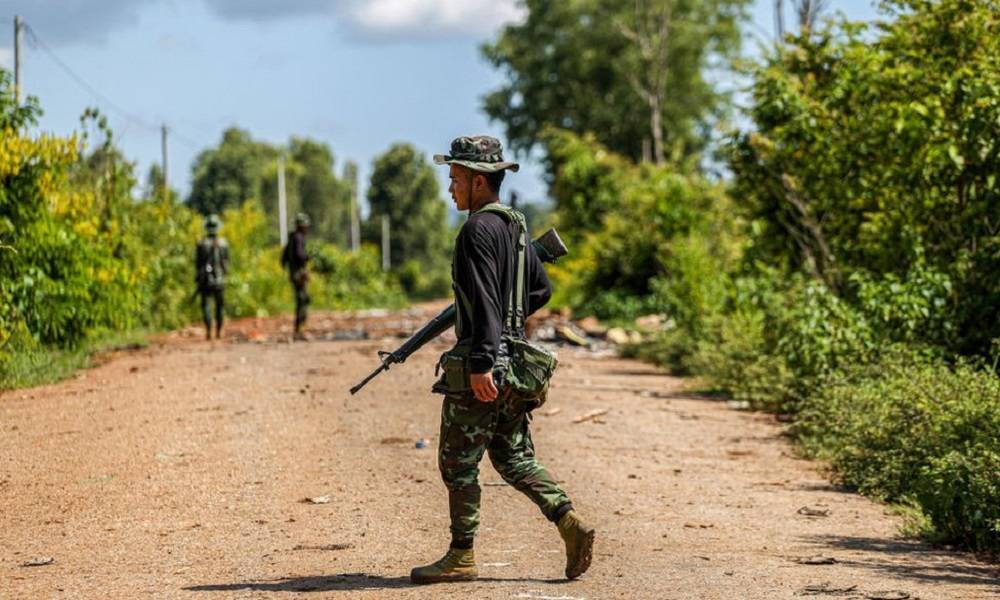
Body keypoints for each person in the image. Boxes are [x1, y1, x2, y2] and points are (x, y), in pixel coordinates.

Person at [410, 136, 594, 584]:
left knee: (457, 462)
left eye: (454, 180)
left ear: (477, 182)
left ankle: (461, 555)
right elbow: (541, 290)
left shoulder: (476, 231)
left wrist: (482, 362)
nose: (450, 189)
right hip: (516, 364)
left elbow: (486, 303)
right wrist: (511, 328)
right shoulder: (515, 226)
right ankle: (569, 522)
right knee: (513, 456)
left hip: (487, 362)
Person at [194, 214, 229, 340]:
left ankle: (209, 330)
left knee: (206, 306)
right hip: (220, 281)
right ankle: (219, 331)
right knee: (220, 307)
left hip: (206, 281)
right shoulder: (224, 243)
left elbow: (198, 264)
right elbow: (226, 263)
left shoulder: (202, 244)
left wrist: (199, 279)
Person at [281, 212, 311, 340]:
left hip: (295, 274)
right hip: (299, 275)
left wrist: (290, 270)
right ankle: (300, 330)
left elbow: (283, 258)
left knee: (302, 300)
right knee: (303, 300)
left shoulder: (292, 238)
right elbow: (299, 255)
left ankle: (299, 329)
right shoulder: (298, 238)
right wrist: (307, 257)